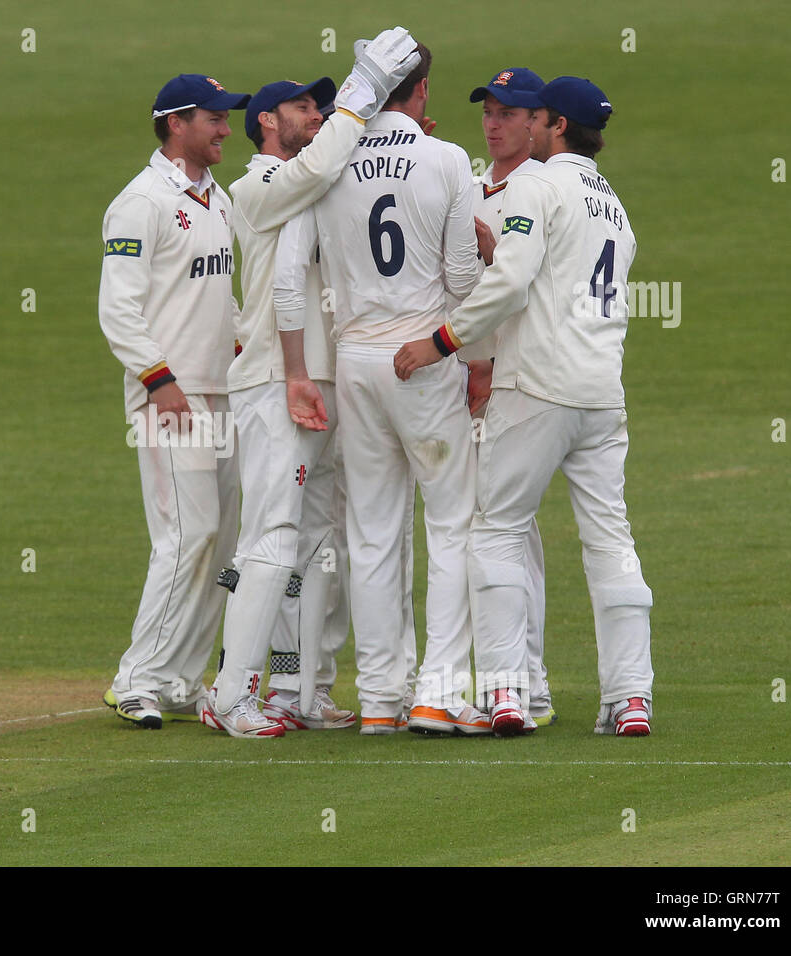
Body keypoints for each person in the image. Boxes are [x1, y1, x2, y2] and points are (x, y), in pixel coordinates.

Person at [394, 77, 653, 737]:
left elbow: (510, 283)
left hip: (536, 384)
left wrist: (443, 342)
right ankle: (630, 699)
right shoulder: (615, 204)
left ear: (555, 125)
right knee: (611, 541)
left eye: (534, 117)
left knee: (498, 529)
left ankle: (509, 693)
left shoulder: (537, 185)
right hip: (603, 393)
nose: (522, 126)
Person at [201, 28, 425, 738]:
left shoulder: (319, 179)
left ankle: (299, 686)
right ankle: (231, 692)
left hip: (329, 380)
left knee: (321, 541)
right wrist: (364, 92)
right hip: (274, 380)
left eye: (323, 104)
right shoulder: (257, 184)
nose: (317, 114)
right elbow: (315, 171)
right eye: (304, 105)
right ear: (267, 121)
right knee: (271, 538)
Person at [279, 43, 489, 735]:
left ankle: (379, 699)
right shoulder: (448, 159)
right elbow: (462, 280)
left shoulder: (330, 161)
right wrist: (469, 349)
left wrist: (300, 366)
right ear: (421, 91)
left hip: (354, 359)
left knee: (369, 531)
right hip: (422, 357)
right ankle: (436, 691)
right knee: (452, 522)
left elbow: (293, 273)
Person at [98, 75, 251, 729]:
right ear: (177, 123)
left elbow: (222, 298)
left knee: (220, 541)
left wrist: (248, 346)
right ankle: (135, 678)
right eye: (215, 119)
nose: (225, 130)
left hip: (220, 392)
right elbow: (118, 309)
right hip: (171, 396)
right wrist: (160, 381)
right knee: (187, 534)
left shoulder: (216, 199)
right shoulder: (140, 203)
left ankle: (183, 677)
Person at [452, 67, 556, 729]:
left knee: (505, 535)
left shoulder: (539, 192)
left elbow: (522, 289)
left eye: (509, 113)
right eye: (488, 111)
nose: (494, 123)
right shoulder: (465, 179)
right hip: (454, 387)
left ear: (538, 121)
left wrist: (478, 364)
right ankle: (517, 681)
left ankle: (521, 682)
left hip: (506, 383)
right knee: (491, 532)